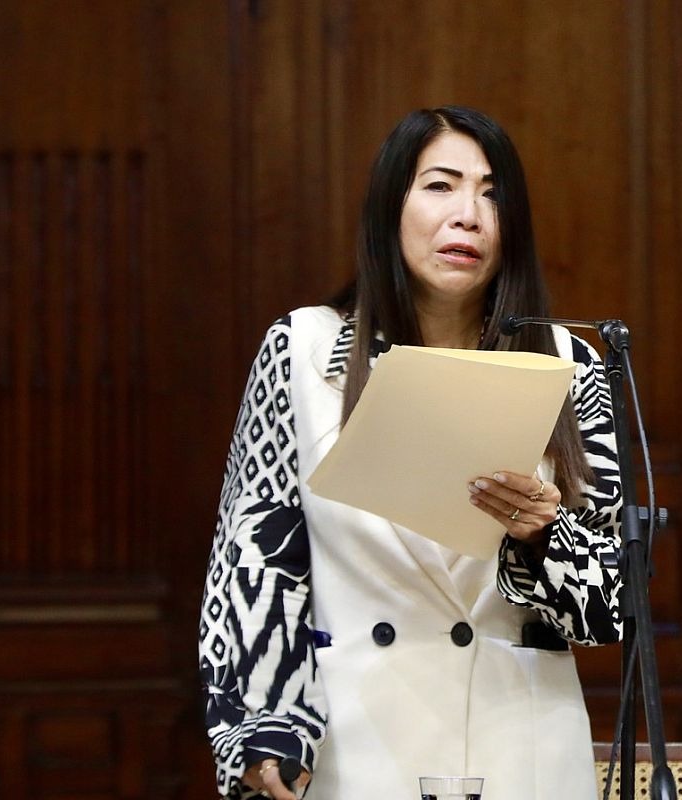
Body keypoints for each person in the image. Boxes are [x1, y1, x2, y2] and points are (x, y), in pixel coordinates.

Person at [199, 106, 623, 800]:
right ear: (389, 206)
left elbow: (608, 605)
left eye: (492, 193)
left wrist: (545, 536)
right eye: (441, 186)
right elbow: (251, 569)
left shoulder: (570, 363)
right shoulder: (302, 352)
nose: (468, 215)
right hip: (360, 744)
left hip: (524, 745)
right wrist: (265, 727)